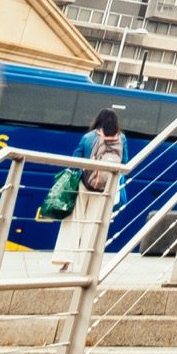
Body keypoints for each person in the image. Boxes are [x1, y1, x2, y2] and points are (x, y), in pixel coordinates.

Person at [53, 107, 124, 271]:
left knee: (74, 220)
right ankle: (86, 263)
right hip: (105, 187)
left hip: (84, 183)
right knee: (93, 223)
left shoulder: (89, 137)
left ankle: (66, 261)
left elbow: (76, 158)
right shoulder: (122, 139)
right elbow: (124, 160)